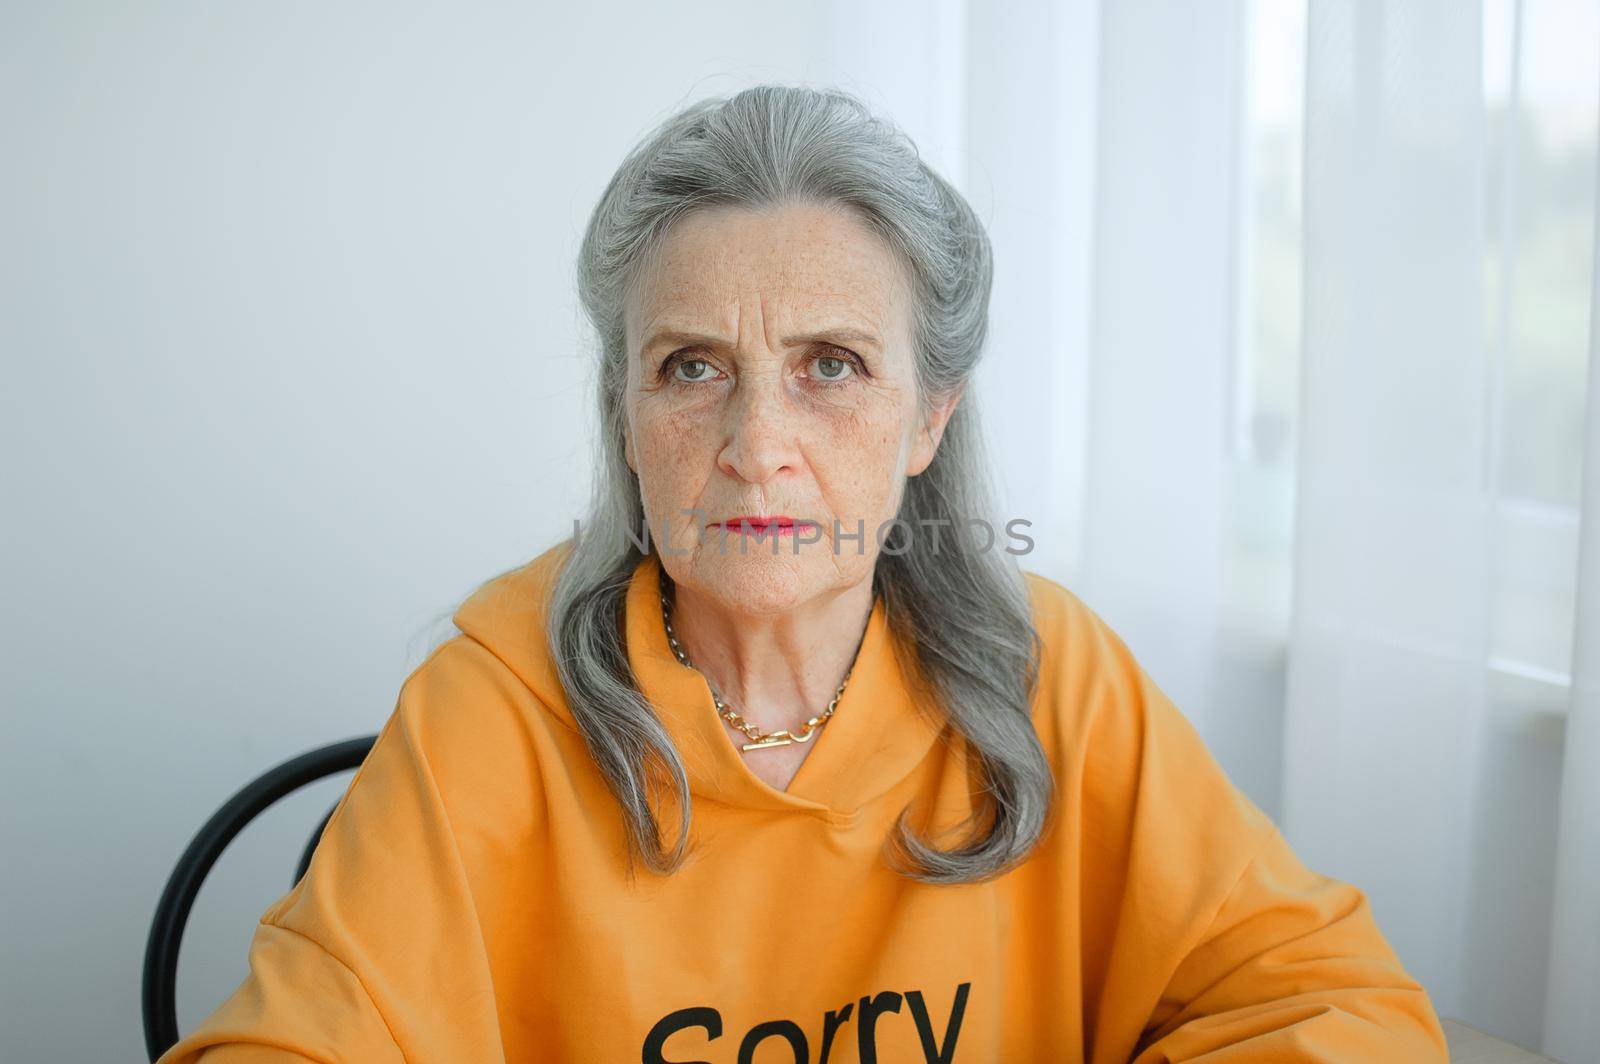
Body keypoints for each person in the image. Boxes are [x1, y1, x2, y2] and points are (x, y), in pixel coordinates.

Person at [157, 85, 1448, 1062]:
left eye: (831, 365)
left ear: (930, 415)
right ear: (623, 416)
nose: (755, 448)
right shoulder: (490, 708)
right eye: (692, 367)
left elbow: (1336, 1008)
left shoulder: (1050, 676)